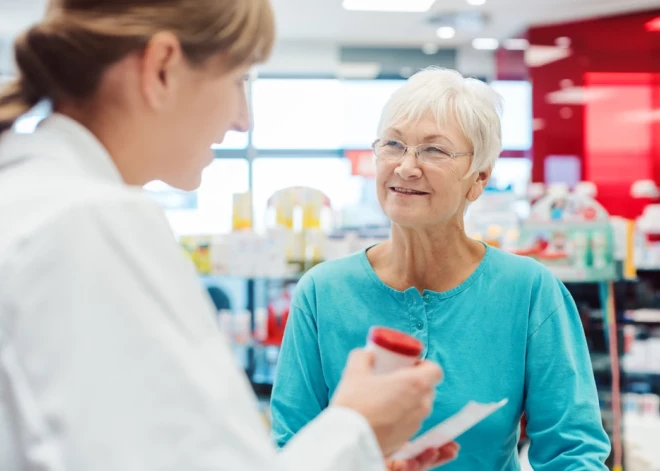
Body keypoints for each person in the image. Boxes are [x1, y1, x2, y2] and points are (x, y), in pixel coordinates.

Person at [0, 1, 450, 470]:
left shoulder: (33, 198)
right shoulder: (91, 221)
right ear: (162, 69)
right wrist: (358, 429)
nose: (243, 120)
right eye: (238, 80)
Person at [270, 68, 612, 470]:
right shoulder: (323, 292)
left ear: (478, 179)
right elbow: (291, 447)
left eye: (434, 151)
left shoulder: (529, 290)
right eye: (394, 144)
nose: (406, 166)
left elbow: (574, 453)